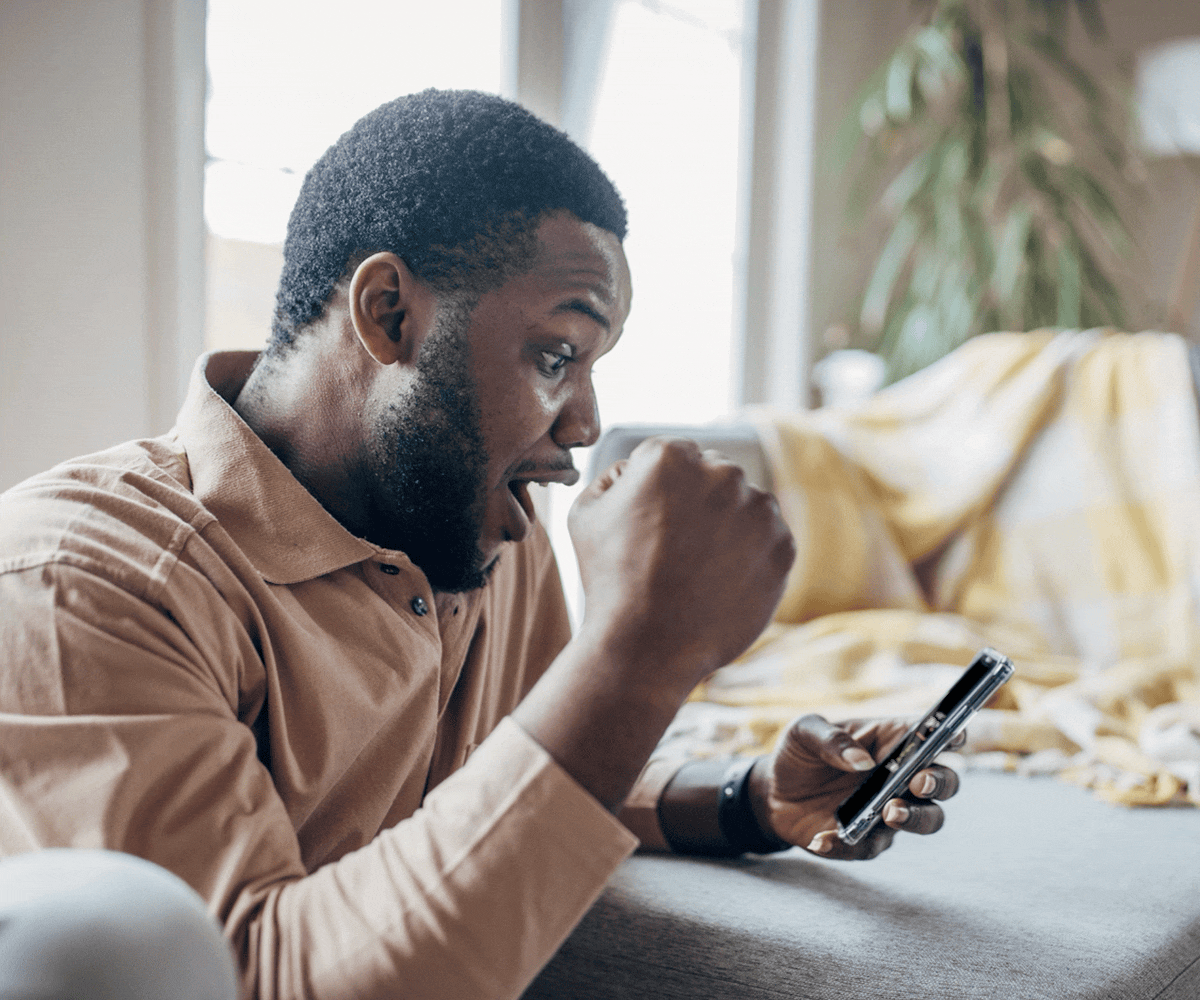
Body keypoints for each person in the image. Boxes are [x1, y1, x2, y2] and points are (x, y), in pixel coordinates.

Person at [0, 90, 960, 1000]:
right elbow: (250, 978)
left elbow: (501, 778)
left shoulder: (478, 526)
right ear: (387, 314)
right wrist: (640, 650)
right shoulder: (79, 585)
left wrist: (749, 799)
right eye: (556, 356)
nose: (584, 425)